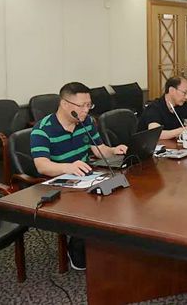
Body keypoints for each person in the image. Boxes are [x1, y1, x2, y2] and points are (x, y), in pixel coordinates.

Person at [30, 82, 129, 271]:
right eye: (82, 105)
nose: (86, 110)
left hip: (85, 177)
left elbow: (99, 149)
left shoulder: (87, 122)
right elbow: (42, 166)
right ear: (64, 104)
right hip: (59, 184)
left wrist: (113, 150)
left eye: (89, 105)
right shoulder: (42, 129)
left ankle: (105, 245)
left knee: (117, 193)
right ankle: (77, 247)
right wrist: (68, 167)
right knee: (90, 204)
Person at [138, 76, 187, 140]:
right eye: (184, 93)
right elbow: (156, 134)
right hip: (148, 146)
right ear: (171, 90)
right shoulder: (154, 108)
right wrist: (183, 130)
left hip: (172, 144)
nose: (186, 97)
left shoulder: (181, 104)